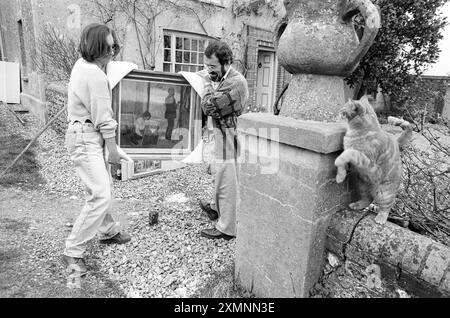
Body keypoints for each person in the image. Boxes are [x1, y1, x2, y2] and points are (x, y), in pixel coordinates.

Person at [63, 23, 131, 276]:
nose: (113, 51)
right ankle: (73, 250)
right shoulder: (95, 75)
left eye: (114, 45)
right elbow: (104, 118)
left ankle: (108, 230)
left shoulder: (81, 65)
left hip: (81, 133)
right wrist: (113, 150)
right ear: (96, 46)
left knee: (98, 189)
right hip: (87, 136)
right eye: (108, 46)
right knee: (101, 194)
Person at [199, 40, 249, 240]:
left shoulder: (236, 82)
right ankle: (215, 208)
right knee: (219, 174)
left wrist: (206, 85)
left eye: (212, 66)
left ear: (226, 62)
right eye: (207, 66)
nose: (208, 70)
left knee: (228, 179)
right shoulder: (221, 78)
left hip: (230, 136)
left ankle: (227, 228)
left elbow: (209, 107)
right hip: (221, 133)